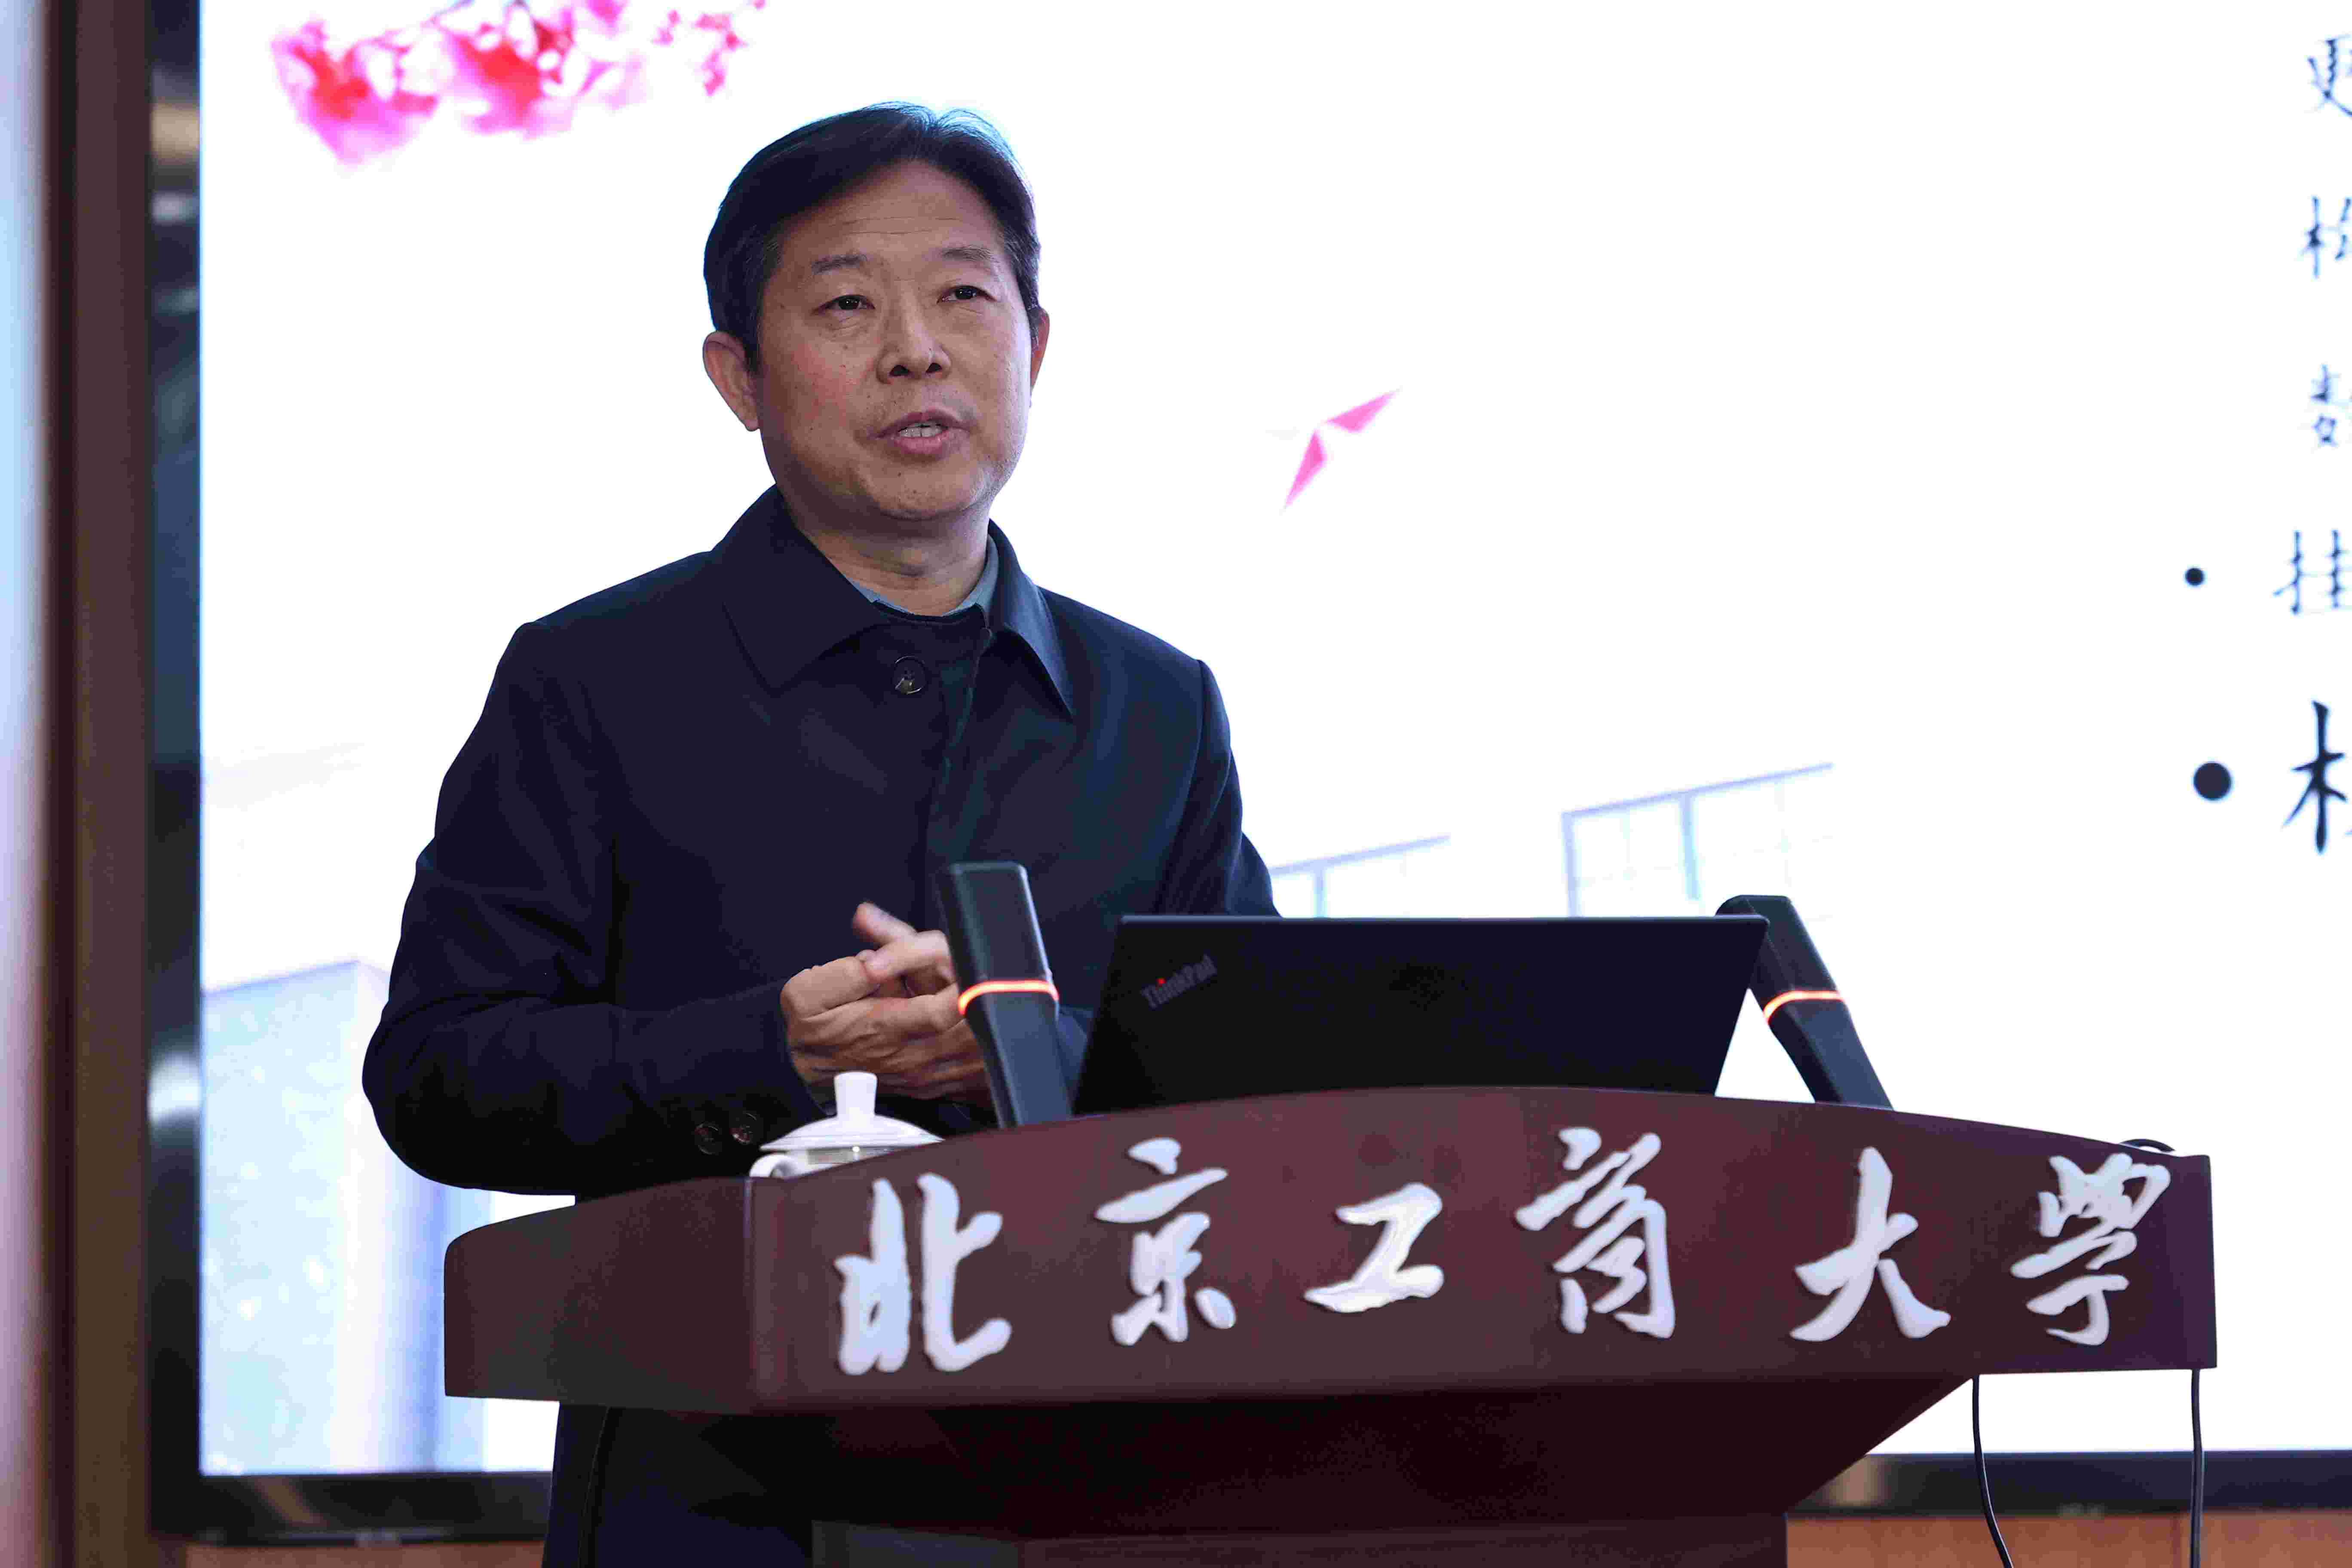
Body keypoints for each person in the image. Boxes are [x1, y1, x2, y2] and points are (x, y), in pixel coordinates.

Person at [360, 102, 1279, 1565]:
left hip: (1091, 1501)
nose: (918, 351)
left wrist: (1033, 1052)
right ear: (738, 376)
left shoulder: (1157, 708)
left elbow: (1256, 1086)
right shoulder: (593, 680)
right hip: (713, 1505)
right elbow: (438, 1072)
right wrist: (770, 1055)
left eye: (964, 296)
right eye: (848, 305)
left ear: (1036, 344)